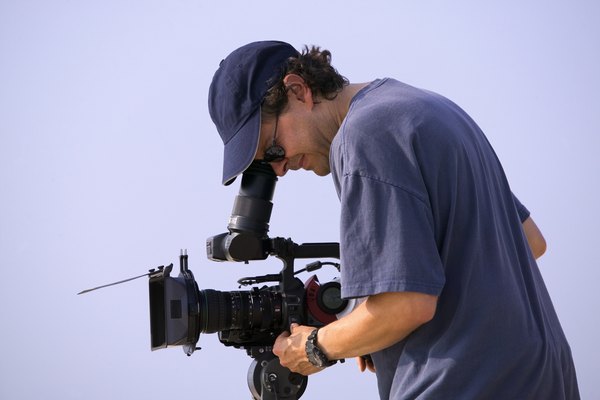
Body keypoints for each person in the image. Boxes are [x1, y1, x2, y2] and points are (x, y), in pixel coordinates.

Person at [208, 41, 580, 399]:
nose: (280, 168)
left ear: (298, 90)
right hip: (544, 377)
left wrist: (314, 347)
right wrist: (370, 329)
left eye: (272, 148)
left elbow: (408, 305)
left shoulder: (363, 137)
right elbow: (529, 241)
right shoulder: (424, 108)